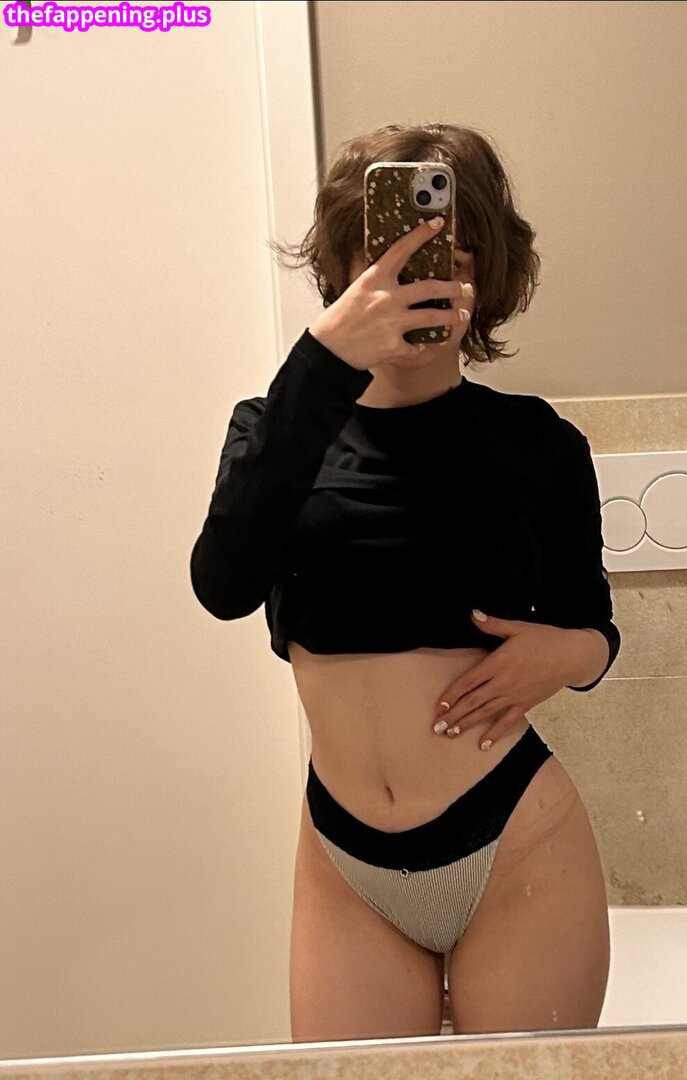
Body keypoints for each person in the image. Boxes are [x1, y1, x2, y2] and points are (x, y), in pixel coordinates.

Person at [190, 123, 620, 1042]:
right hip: (344, 861)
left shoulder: (537, 443)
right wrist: (319, 362)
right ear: (343, 276)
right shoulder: (274, 429)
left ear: (483, 281)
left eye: (445, 264)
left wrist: (570, 655)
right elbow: (223, 585)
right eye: (384, 263)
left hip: (516, 844)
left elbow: (592, 626)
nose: (414, 286)